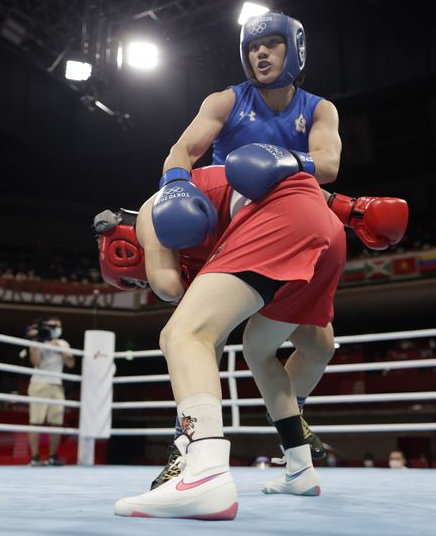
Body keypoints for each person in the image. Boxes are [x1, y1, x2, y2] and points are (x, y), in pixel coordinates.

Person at [95, 185, 406, 490]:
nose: (143, 286)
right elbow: (289, 181)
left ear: (125, 250)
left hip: (275, 230)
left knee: (187, 336)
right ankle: (297, 454)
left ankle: (194, 461)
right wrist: (349, 210)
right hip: (326, 228)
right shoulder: (193, 202)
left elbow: (167, 287)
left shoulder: (154, 211)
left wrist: (177, 288)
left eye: (136, 283)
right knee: (315, 346)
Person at [25, 317, 75, 466]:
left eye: (58, 326)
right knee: (35, 422)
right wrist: (36, 345)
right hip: (39, 384)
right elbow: (36, 363)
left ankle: (53, 456)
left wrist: (61, 350)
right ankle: (34, 457)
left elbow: (71, 364)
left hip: (57, 386)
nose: (56, 329)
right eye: (53, 326)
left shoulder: (63, 343)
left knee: (56, 423)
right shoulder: (37, 341)